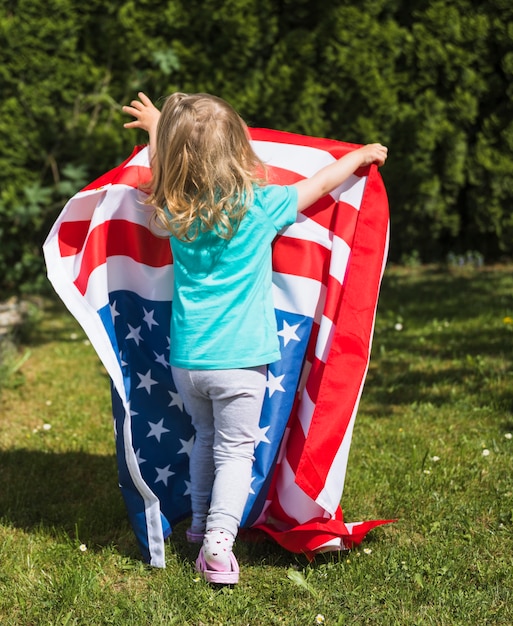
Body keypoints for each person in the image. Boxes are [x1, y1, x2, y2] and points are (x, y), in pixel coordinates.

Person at [123, 92, 387, 584]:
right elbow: (322, 182)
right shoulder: (259, 207)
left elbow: (165, 174)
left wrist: (159, 131)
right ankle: (220, 547)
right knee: (234, 451)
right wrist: (358, 156)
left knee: (205, 439)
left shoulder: (172, 212)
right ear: (239, 151)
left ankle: (201, 526)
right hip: (241, 361)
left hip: (188, 360)